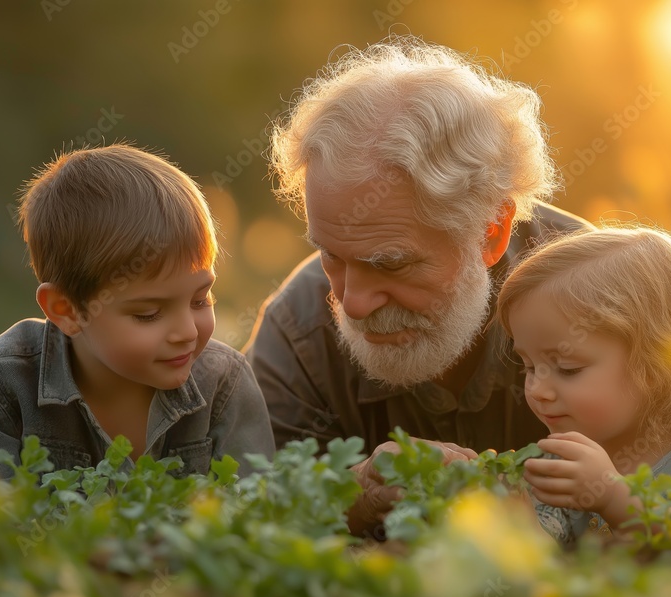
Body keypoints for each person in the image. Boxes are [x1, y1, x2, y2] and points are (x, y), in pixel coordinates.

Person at [244, 36, 592, 534]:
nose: (354, 304)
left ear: (491, 232)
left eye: (391, 265)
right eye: (331, 256)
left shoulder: (601, 297)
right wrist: (355, 492)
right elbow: (255, 515)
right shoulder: (297, 332)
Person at [0, 144, 275, 479]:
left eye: (200, 299)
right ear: (67, 310)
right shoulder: (1, 386)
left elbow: (261, 518)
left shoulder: (224, 384)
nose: (187, 331)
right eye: (148, 314)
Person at [495, 225, 671, 545]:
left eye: (568, 368)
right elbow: (542, 565)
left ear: (658, 366)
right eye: (529, 366)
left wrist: (613, 499)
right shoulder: (564, 460)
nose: (537, 389)